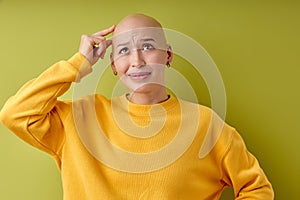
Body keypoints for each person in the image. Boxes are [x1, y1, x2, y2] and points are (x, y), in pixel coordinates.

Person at [0, 13, 274, 199]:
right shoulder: (80, 118)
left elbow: (256, 188)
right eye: (123, 51)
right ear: (114, 67)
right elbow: (16, 113)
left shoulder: (206, 124)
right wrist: (78, 64)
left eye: (148, 46)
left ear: (168, 56)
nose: (137, 60)